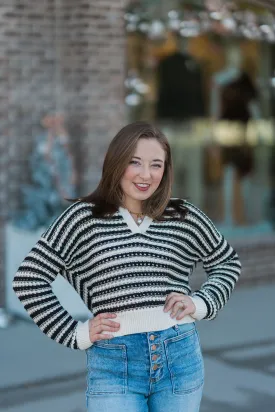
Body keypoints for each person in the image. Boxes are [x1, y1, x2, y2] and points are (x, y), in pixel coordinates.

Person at [13, 121, 241, 412]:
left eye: (156, 165)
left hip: (180, 357)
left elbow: (227, 262)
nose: (146, 175)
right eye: (135, 162)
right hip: (114, 363)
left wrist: (201, 303)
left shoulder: (183, 215)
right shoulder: (82, 218)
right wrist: (75, 333)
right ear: (116, 162)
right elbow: (28, 279)